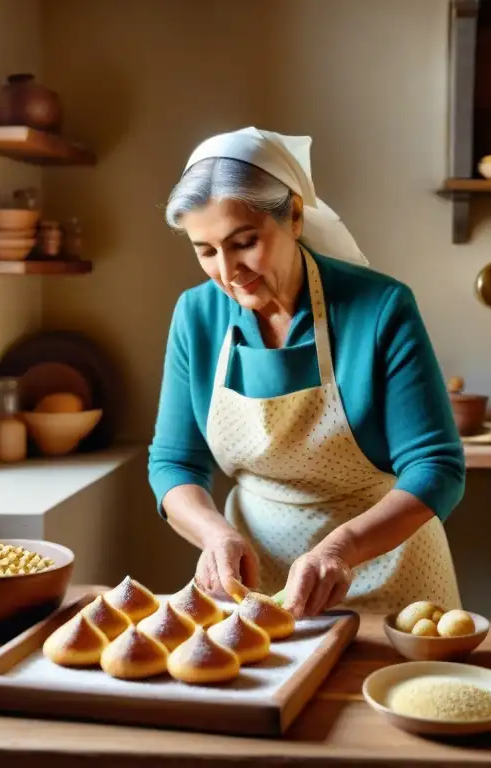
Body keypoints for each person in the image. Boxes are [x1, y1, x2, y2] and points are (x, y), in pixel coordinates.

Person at [148, 127, 466, 619]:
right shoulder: (196, 315)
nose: (228, 271)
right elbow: (173, 462)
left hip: (390, 573)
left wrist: (340, 550)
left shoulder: (381, 307)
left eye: (244, 242)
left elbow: (436, 467)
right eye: (206, 251)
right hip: (253, 583)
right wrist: (214, 534)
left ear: (294, 216)